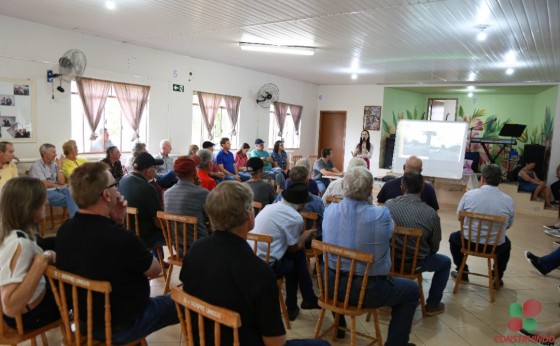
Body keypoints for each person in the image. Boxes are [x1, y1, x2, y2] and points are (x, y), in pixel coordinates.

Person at [179, 181, 330, 346]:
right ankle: (302, 301)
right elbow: (276, 342)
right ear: (248, 214)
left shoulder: (194, 250)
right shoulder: (260, 272)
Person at [56, 162, 178, 343]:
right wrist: (120, 226)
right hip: (124, 325)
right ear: (106, 194)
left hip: (85, 322)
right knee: (185, 302)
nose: (118, 189)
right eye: (115, 186)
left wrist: (117, 223)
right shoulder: (119, 237)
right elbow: (155, 269)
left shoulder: (64, 230)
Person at [322, 166, 419, 344]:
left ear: (343, 187)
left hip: (330, 285)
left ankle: (339, 322)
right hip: (366, 290)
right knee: (412, 291)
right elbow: (389, 234)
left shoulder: (329, 211)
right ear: (369, 191)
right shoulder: (380, 215)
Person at [250, 183, 320, 321]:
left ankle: (303, 301)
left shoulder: (270, 207)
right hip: (266, 266)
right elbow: (293, 247)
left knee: (295, 258)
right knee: (296, 259)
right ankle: (299, 302)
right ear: (302, 204)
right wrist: (305, 235)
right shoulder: (295, 217)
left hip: (251, 258)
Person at [385, 171, 451, 316]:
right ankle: (432, 305)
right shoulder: (431, 213)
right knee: (445, 262)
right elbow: (435, 246)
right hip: (417, 263)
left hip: (390, 261)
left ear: (402, 187)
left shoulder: (388, 206)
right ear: (422, 188)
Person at [0, 177, 60, 330]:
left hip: (25, 312)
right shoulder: (21, 244)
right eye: (42, 200)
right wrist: (42, 261)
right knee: (83, 292)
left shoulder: (8, 234)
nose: (46, 203)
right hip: (30, 316)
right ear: (29, 207)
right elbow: (11, 306)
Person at [449, 164, 514, 285]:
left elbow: (460, 217)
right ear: (500, 180)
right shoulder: (508, 200)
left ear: (482, 179)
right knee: (507, 244)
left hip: (469, 242)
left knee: (454, 238)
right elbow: (508, 225)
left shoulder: (469, 195)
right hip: (494, 246)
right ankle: (496, 277)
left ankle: (462, 272)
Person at [118, 152, 165, 250]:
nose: (156, 171)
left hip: (125, 232)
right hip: (144, 237)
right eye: (155, 168)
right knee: (176, 232)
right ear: (148, 171)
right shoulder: (148, 188)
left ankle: (155, 260)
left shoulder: (122, 180)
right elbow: (158, 222)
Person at [164, 155, 210, 245]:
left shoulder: (167, 194)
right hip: (200, 245)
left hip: (178, 246)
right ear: (194, 172)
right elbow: (213, 220)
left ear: (176, 173)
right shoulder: (202, 193)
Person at [29, 143, 79, 218]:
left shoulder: (54, 165)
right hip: (44, 191)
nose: (56, 154)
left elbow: (61, 182)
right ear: (45, 154)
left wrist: (59, 167)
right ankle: (76, 221)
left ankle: (75, 220)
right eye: (53, 152)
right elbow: (45, 184)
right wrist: (61, 186)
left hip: (57, 189)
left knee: (74, 194)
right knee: (73, 199)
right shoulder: (36, 166)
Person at [276, 166, 324, 243]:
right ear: (307, 181)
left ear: (290, 181)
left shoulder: (281, 196)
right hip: (310, 242)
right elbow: (323, 224)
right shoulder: (317, 201)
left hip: (287, 239)